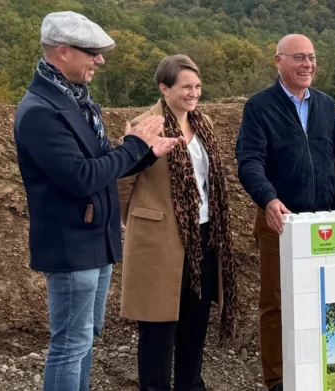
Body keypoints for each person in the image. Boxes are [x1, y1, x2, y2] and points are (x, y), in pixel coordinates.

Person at [12, 11, 179, 391]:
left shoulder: (79, 103)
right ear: (64, 52)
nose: (99, 60)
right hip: (71, 245)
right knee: (70, 343)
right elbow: (81, 177)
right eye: (92, 52)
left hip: (96, 241)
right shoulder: (40, 112)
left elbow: (104, 165)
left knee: (86, 335)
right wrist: (135, 144)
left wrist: (147, 152)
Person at [116, 54, 239, 391]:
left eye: (197, 86)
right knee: (158, 327)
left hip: (203, 235)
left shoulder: (204, 123)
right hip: (159, 240)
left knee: (195, 322)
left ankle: (191, 385)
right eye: (186, 86)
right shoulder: (146, 124)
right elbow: (122, 180)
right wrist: (143, 221)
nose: (193, 93)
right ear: (164, 88)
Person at [235, 33, 335, 391]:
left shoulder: (326, 106)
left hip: (323, 222)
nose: (308, 64)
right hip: (280, 222)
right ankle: (278, 380)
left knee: (323, 299)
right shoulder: (259, 107)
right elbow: (249, 161)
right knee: (277, 304)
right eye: (299, 57)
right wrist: (268, 198)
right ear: (278, 61)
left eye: (312, 57)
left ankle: (318, 373)